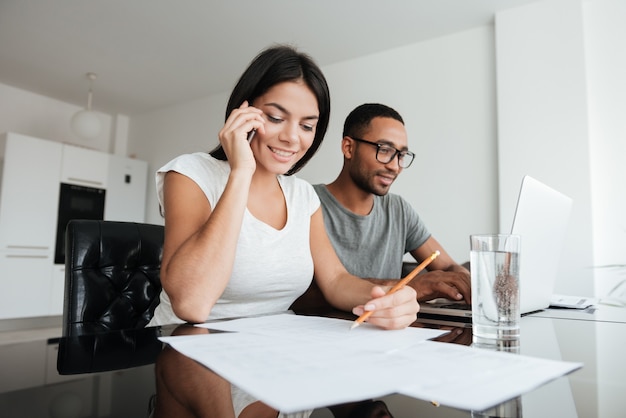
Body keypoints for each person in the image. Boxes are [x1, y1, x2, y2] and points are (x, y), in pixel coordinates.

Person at [148, 47, 419, 418]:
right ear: (242, 113)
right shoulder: (191, 174)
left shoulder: (301, 194)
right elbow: (192, 305)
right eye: (276, 117)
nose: (293, 138)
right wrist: (240, 172)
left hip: (274, 358)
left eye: (307, 126)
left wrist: (387, 297)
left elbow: (336, 280)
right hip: (191, 356)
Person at [313, 103, 471, 304]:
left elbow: (448, 267)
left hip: (388, 331)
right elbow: (302, 294)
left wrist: (467, 281)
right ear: (348, 147)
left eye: (401, 155)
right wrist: (412, 287)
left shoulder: (398, 210)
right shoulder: (308, 202)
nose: (395, 166)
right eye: (384, 150)